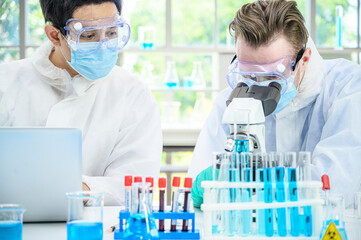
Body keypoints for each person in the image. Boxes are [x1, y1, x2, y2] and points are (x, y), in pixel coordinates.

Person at [188, 0, 361, 208]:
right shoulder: (229, 104)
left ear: (303, 60)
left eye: (271, 77)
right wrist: (204, 185)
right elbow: (198, 190)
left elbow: (332, 187)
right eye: (247, 74)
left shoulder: (347, 88)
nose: (256, 87)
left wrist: (251, 179)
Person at [0, 0, 162, 205]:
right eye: (88, 36)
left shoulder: (133, 93)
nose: (103, 45)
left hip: (96, 229)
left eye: (111, 33)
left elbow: (135, 184)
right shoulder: (5, 84)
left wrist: (72, 190)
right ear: (54, 36)